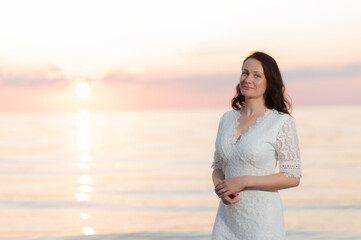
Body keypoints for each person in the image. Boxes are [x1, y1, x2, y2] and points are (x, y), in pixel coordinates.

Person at [211, 51, 302, 239]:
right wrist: (221, 187)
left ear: (269, 82)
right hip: (226, 221)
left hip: (263, 222)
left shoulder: (281, 122)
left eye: (256, 75)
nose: (247, 79)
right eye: (245, 72)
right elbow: (218, 167)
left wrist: (243, 181)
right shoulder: (227, 119)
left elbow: (292, 177)